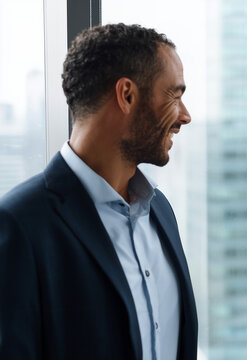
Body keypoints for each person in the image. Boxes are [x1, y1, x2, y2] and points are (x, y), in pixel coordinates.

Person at [0, 24, 197, 360]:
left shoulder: (160, 210)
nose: (185, 115)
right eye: (174, 95)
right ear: (127, 95)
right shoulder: (20, 224)